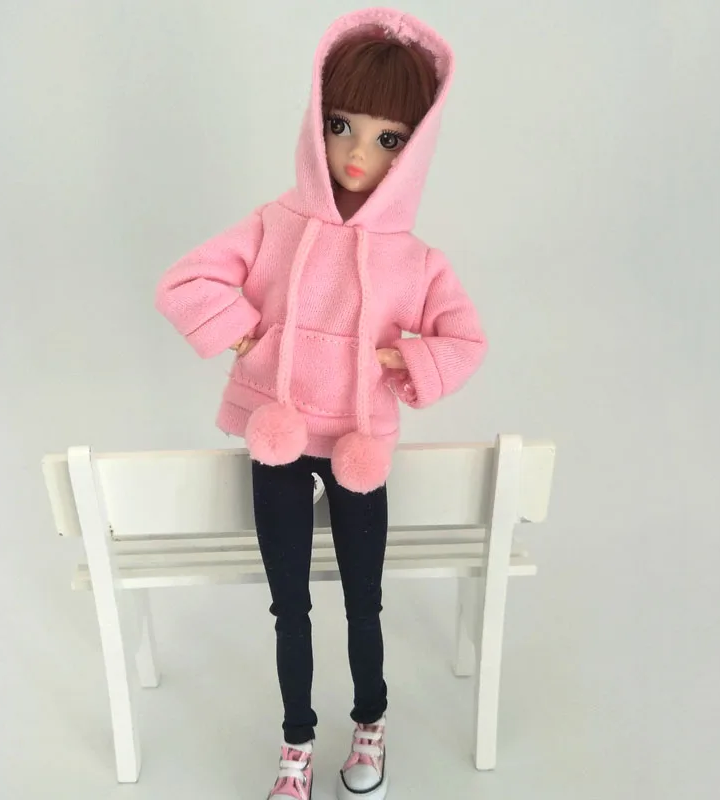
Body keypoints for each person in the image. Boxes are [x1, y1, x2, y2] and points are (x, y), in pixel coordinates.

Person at [155, 8, 487, 799]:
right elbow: (186, 280)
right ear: (315, 120)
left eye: (388, 138)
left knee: (365, 603)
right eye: (341, 125)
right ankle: (296, 743)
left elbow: (465, 338)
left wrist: (408, 358)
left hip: (358, 448)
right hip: (279, 436)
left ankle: (370, 722)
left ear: (415, 148)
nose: (358, 152)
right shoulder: (275, 224)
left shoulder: (414, 259)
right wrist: (241, 330)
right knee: (290, 607)